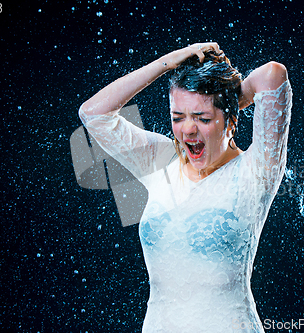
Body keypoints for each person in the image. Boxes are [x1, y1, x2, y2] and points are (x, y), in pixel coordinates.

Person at [79, 42, 292, 332]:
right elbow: (93, 114)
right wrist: (166, 62)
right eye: (178, 117)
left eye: (203, 118)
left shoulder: (255, 171)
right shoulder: (160, 159)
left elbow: (272, 75)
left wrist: (230, 100)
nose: (188, 130)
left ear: (230, 122)